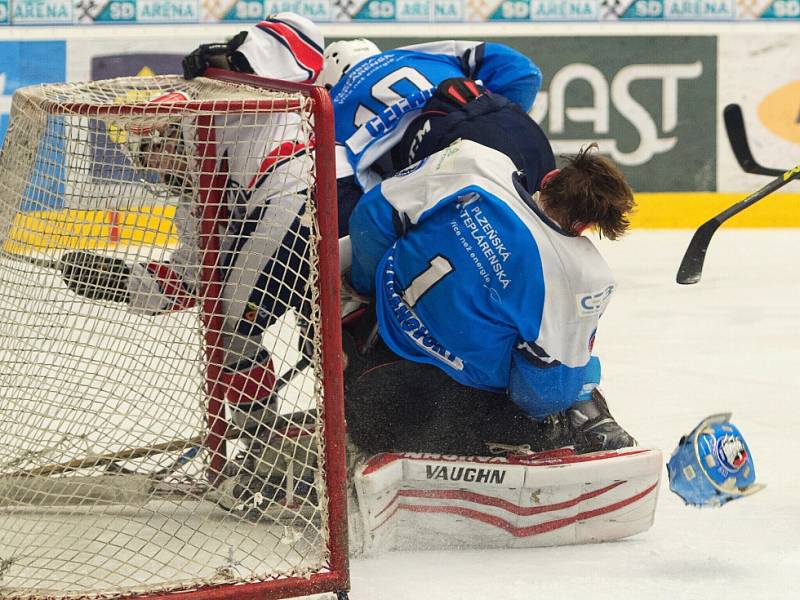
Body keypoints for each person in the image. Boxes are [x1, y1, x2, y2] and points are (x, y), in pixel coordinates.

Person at [57, 13, 324, 465]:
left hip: (304, 202)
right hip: (286, 221)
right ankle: (267, 450)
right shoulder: (198, 200)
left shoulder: (221, 101)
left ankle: (281, 448)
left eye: (155, 152)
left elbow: (304, 44)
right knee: (240, 333)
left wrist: (220, 60)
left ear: (174, 132)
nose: (159, 170)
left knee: (240, 324)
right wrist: (122, 281)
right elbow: (198, 276)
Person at [346, 138, 637, 456]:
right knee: (568, 379)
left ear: (550, 179)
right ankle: (580, 426)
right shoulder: (579, 275)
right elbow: (546, 393)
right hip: (430, 409)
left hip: (368, 365)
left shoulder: (476, 161)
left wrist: (367, 292)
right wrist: (544, 418)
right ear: (584, 226)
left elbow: (370, 218)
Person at [316, 38, 543, 235]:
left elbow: (356, 192)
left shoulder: (331, 107)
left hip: (446, 156)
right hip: (525, 133)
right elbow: (523, 73)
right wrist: (495, 115)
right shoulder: (417, 54)